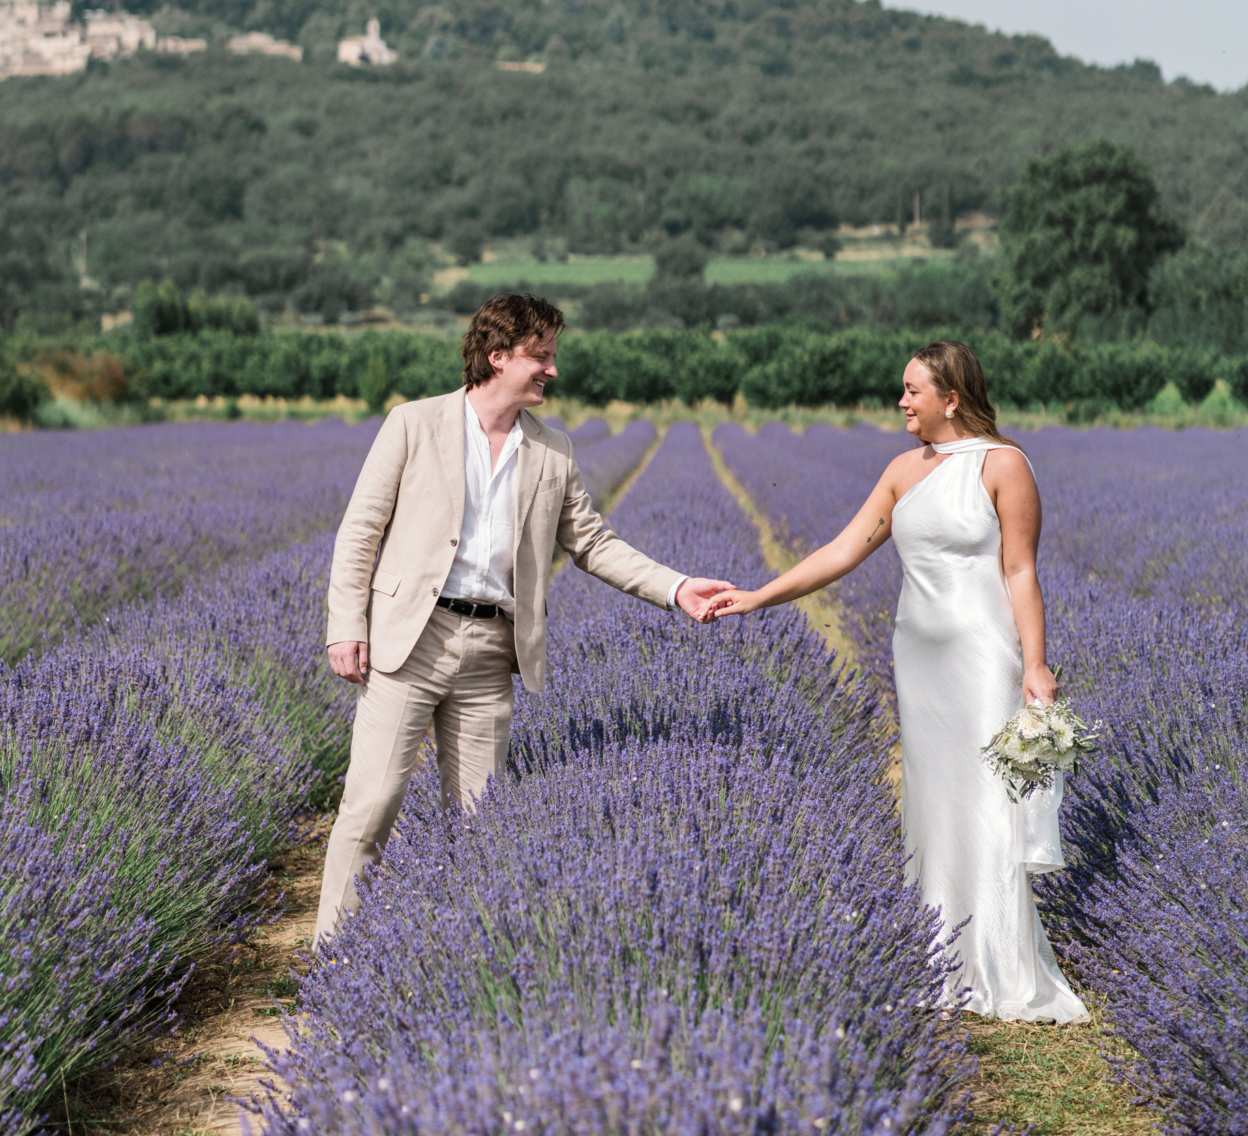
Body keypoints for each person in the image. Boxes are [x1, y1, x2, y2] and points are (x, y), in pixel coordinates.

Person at [314, 293, 735, 945]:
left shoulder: (552, 451)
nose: (552, 371)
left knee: (482, 827)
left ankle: (460, 956)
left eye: (552, 357)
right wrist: (347, 624)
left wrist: (676, 588)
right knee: (369, 810)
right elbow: (360, 531)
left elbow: (593, 544)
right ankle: (332, 964)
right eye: (541, 357)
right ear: (497, 356)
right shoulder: (413, 425)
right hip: (409, 643)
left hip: (491, 653)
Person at [708, 340, 1087, 1023]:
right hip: (918, 658)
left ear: (953, 397)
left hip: (980, 653)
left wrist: (1035, 663)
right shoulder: (901, 471)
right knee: (934, 797)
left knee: (985, 798)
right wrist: (759, 596)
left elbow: (1020, 571)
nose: (902, 402)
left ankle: (999, 963)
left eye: (914, 391)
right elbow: (844, 550)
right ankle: (944, 954)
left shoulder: (1004, 465)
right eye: (903, 390)